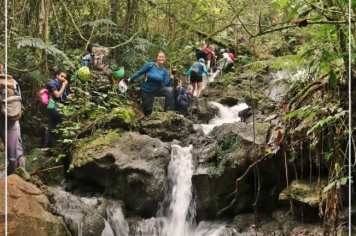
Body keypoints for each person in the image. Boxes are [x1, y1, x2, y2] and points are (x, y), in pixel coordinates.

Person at [127, 51, 173, 117]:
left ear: (165, 59)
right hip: (146, 90)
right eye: (160, 57)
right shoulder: (150, 65)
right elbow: (140, 72)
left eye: (163, 57)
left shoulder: (164, 71)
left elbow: (167, 84)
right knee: (148, 111)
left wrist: (172, 75)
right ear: (156, 58)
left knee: (170, 90)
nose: (161, 58)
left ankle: (167, 112)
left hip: (157, 90)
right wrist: (130, 79)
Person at [0, 61, 25, 173]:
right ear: (1, 67)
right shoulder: (11, 81)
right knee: (16, 152)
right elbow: (19, 102)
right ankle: (21, 177)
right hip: (10, 118)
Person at [44, 69, 74, 147]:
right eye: (61, 76)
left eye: (64, 77)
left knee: (51, 126)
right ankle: (68, 144)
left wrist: (67, 97)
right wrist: (64, 86)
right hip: (52, 107)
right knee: (65, 121)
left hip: (55, 106)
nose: (63, 79)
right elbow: (57, 95)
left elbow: (59, 98)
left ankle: (46, 146)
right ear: (57, 75)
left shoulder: (58, 83)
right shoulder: (53, 83)